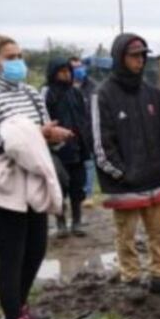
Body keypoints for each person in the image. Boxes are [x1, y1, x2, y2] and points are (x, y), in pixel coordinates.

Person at [0, 34, 71, 319]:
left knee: (35, 250)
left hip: (32, 180)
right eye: (10, 57)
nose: (18, 62)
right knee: (12, 253)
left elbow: (41, 130)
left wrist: (52, 135)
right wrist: (34, 135)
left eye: (20, 56)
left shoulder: (30, 93)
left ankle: (20, 308)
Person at [93, 33, 160, 297]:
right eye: (134, 56)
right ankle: (131, 278)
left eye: (142, 55)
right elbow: (102, 145)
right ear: (119, 58)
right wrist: (123, 173)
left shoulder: (152, 93)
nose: (139, 61)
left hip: (157, 178)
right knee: (127, 235)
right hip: (125, 183)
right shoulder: (103, 95)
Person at [44, 57, 90, 238]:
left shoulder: (76, 93)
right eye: (61, 71)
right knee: (59, 187)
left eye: (68, 71)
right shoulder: (47, 93)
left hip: (77, 147)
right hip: (56, 150)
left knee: (77, 187)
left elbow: (83, 118)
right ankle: (60, 223)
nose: (66, 74)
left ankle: (77, 222)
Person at [73, 56, 97, 209]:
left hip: (89, 132)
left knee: (89, 164)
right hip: (71, 133)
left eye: (80, 65)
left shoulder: (92, 86)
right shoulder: (65, 87)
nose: (78, 69)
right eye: (74, 67)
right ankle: (74, 195)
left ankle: (88, 195)